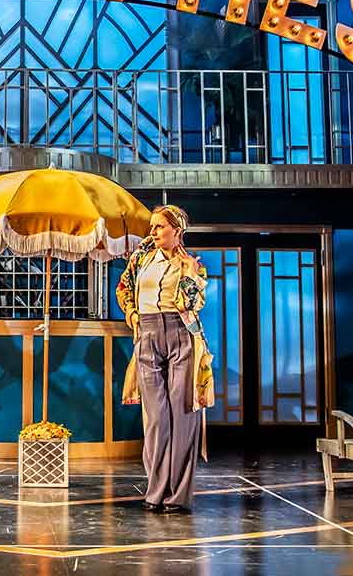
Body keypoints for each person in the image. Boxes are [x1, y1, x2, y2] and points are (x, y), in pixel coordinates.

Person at [117, 204, 211, 514]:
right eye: (153, 227)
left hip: (180, 334)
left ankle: (178, 494)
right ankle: (156, 490)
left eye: (159, 227)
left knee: (182, 416)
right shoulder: (142, 258)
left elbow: (193, 304)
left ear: (177, 231)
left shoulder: (191, 265)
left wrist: (191, 277)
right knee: (156, 418)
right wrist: (131, 314)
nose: (153, 232)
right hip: (147, 332)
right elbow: (123, 287)